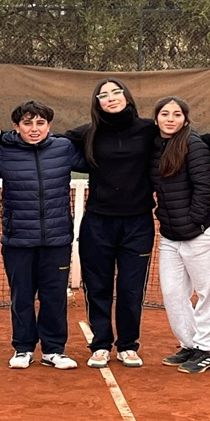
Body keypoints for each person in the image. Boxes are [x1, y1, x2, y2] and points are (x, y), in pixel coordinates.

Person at [64, 78, 158, 368]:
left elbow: (184, 139)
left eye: (116, 92)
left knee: (131, 289)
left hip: (138, 223)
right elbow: (50, 140)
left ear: (127, 97)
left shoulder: (148, 130)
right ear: (97, 103)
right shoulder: (88, 133)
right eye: (103, 95)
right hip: (98, 223)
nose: (111, 98)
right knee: (98, 286)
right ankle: (101, 344)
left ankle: (128, 345)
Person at [0, 100, 87, 370]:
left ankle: (54, 350)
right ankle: (23, 348)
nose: (34, 129)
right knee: (22, 296)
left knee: (54, 296)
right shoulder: (5, 150)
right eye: (27, 123)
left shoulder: (63, 148)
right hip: (17, 239)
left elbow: (97, 163)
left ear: (49, 126)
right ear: (16, 127)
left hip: (57, 239)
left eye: (40, 123)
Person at [149, 96, 210, 374]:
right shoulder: (154, 146)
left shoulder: (193, 144)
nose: (170, 119)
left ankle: (206, 349)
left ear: (185, 119)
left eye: (177, 114)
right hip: (170, 234)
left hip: (203, 232)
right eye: (165, 114)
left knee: (208, 292)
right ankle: (189, 344)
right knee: (172, 292)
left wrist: (194, 223)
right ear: (156, 117)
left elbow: (206, 187)